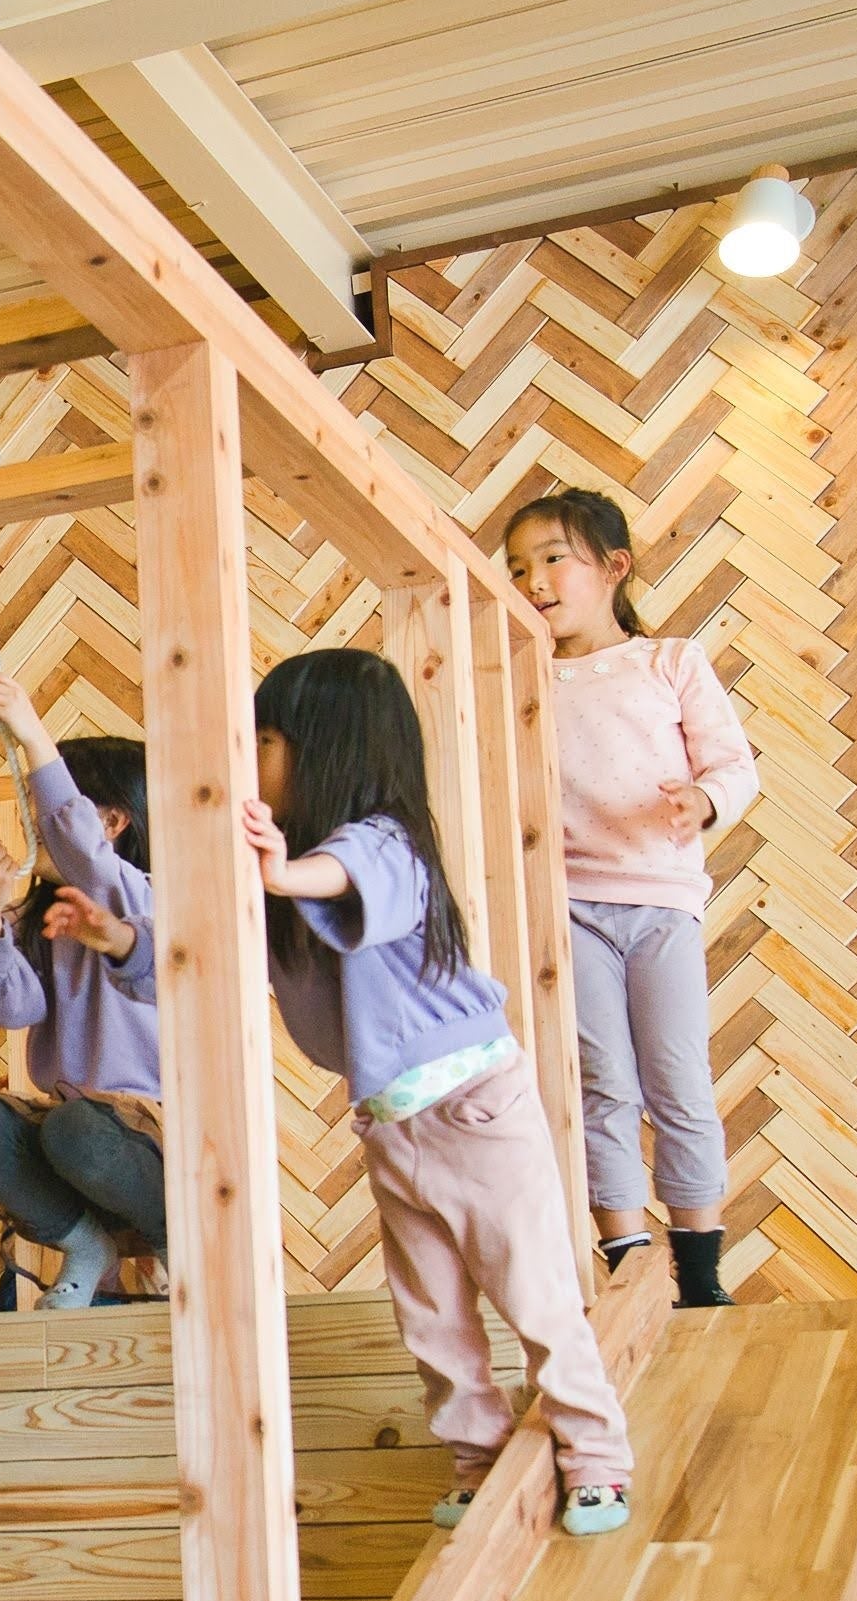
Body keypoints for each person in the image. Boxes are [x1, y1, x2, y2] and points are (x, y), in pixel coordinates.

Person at [244, 647, 633, 1538]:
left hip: (473, 1107)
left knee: (532, 1289)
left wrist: (281, 873)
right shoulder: (287, 871)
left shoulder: (385, 841)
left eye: (264, 740)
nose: (250, 760)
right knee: (427, 1309)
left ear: (325, 750)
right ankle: (477, 1455)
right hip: (392, 1120)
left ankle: (596, 1455)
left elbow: (340, 875)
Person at [505, 489, 757, 1309]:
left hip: (660, 903)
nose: (533, 579)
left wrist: (700, 801)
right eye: (517, 567)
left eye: (551, 559)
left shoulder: (669, 661)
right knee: (600, 1082)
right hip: (567, 902)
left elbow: (733, 766)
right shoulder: (519, 679)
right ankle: (624, 1258)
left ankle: (698, 1273)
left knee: (677, 1078)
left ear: (612, 568)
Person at [0, 674, 165, 1309]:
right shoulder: (41, 921)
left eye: (43, 813)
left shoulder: (143, 895)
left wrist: (30, 728)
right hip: (75, 1135)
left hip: (152, 1138)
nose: (31, 823)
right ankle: (85, 1245)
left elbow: (86, 855)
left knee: (77, 1129)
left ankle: (175, 1245)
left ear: (112, 823)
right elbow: (4, 1006)